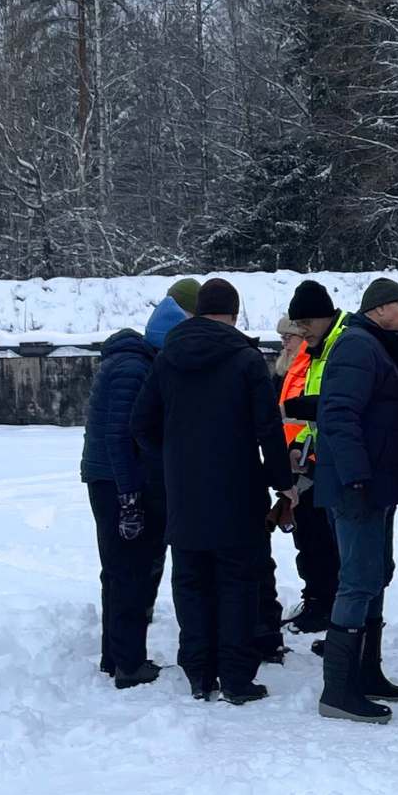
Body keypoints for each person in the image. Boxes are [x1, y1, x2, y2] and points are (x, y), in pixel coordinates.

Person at [131, 278, 297, 705]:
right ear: (234, 314)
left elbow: (142, 424)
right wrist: (283, 482)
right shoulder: (245, 360)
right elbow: (268, 428)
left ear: (198, 311)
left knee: (191, 582)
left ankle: (199, 674)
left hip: (184, 493)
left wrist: (172, 461)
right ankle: (237, 678)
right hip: (238, 491)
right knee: (238, 584)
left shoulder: (167, 357)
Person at [313, 278, 398, 723]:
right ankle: (338, 689)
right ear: (379, 308)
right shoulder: (358, 346)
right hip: (358, 485)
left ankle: (367, 672)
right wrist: (356, 476)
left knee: (376, 573)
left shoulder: (378, 345)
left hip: (377, 483)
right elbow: (338, 413)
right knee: (358, 579)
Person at [82, 294, 188, 688]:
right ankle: (128, 663)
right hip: (117, 481)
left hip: (109, 479)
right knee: (130, 570)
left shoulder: (129, 361)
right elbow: (119, 438)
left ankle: (117, 656)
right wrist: (130, 496)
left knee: (118, 570)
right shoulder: (133, 369)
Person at [278, 280, 349, 635]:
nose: (291, 340)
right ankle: (319, 599)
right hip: (302, 462)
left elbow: (317, 410)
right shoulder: (298, 363)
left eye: (292, 333)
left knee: (322, 541)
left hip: (315, 462)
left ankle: (328, 605)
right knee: (308, 539)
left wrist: (301, 448)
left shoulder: (319, 356)